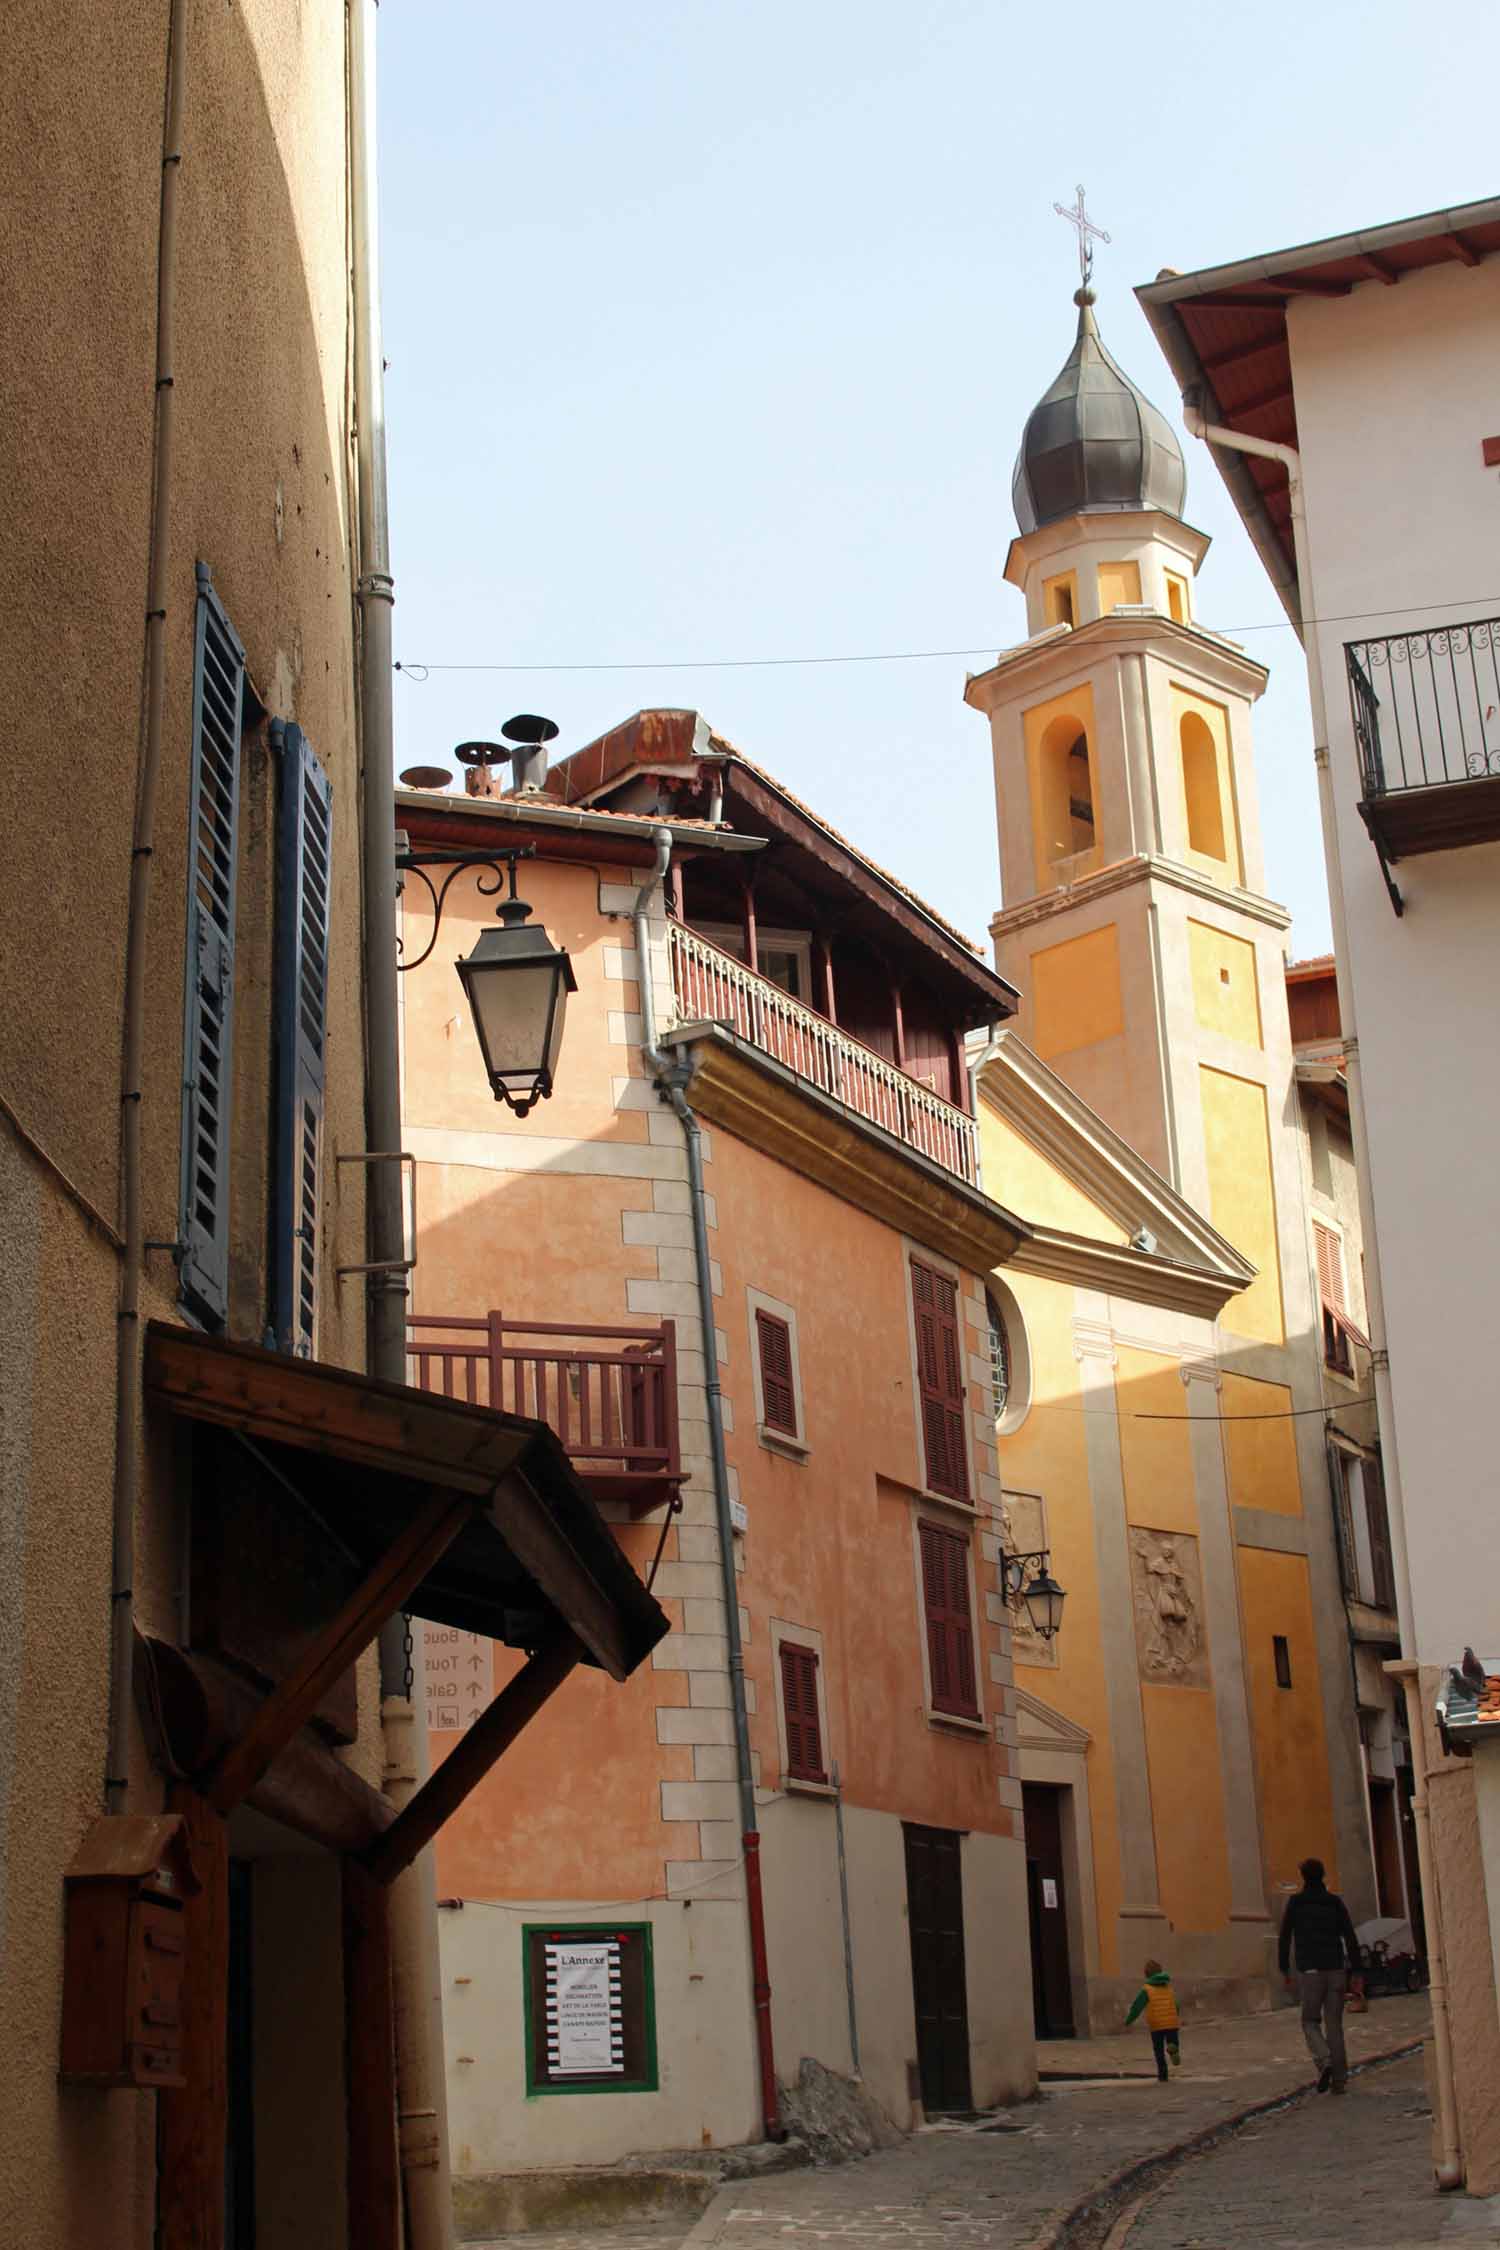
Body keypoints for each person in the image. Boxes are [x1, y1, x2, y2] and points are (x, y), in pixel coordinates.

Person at [1278, 1856, 1362, 2093]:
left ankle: (1324, 2060)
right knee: (1335, 2025)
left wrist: (1284, 1968)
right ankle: (1340, 2079)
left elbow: (1285, 1937)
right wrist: (1357, 1969)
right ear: (1322, 1876)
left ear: (1303, 1876)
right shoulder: (1334, 1902)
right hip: (1335, 1969)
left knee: (1310, 2021)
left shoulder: (1296, 1902)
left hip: (1310, 1971)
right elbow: (1349, 1935)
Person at [1124, 1957, 1181, 2082]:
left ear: (1146, 1974)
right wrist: (1176, 2015)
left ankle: (1163, 2075)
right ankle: (1173, 2048)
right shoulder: (1168, 1987)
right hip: (1171, 2022)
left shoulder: (1146, 1989)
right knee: (1173, 2042)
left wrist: (1128, 2020)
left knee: (1158, 2050)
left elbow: (1137, 2006)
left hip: (1157, 2024)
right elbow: (1176, 2004)